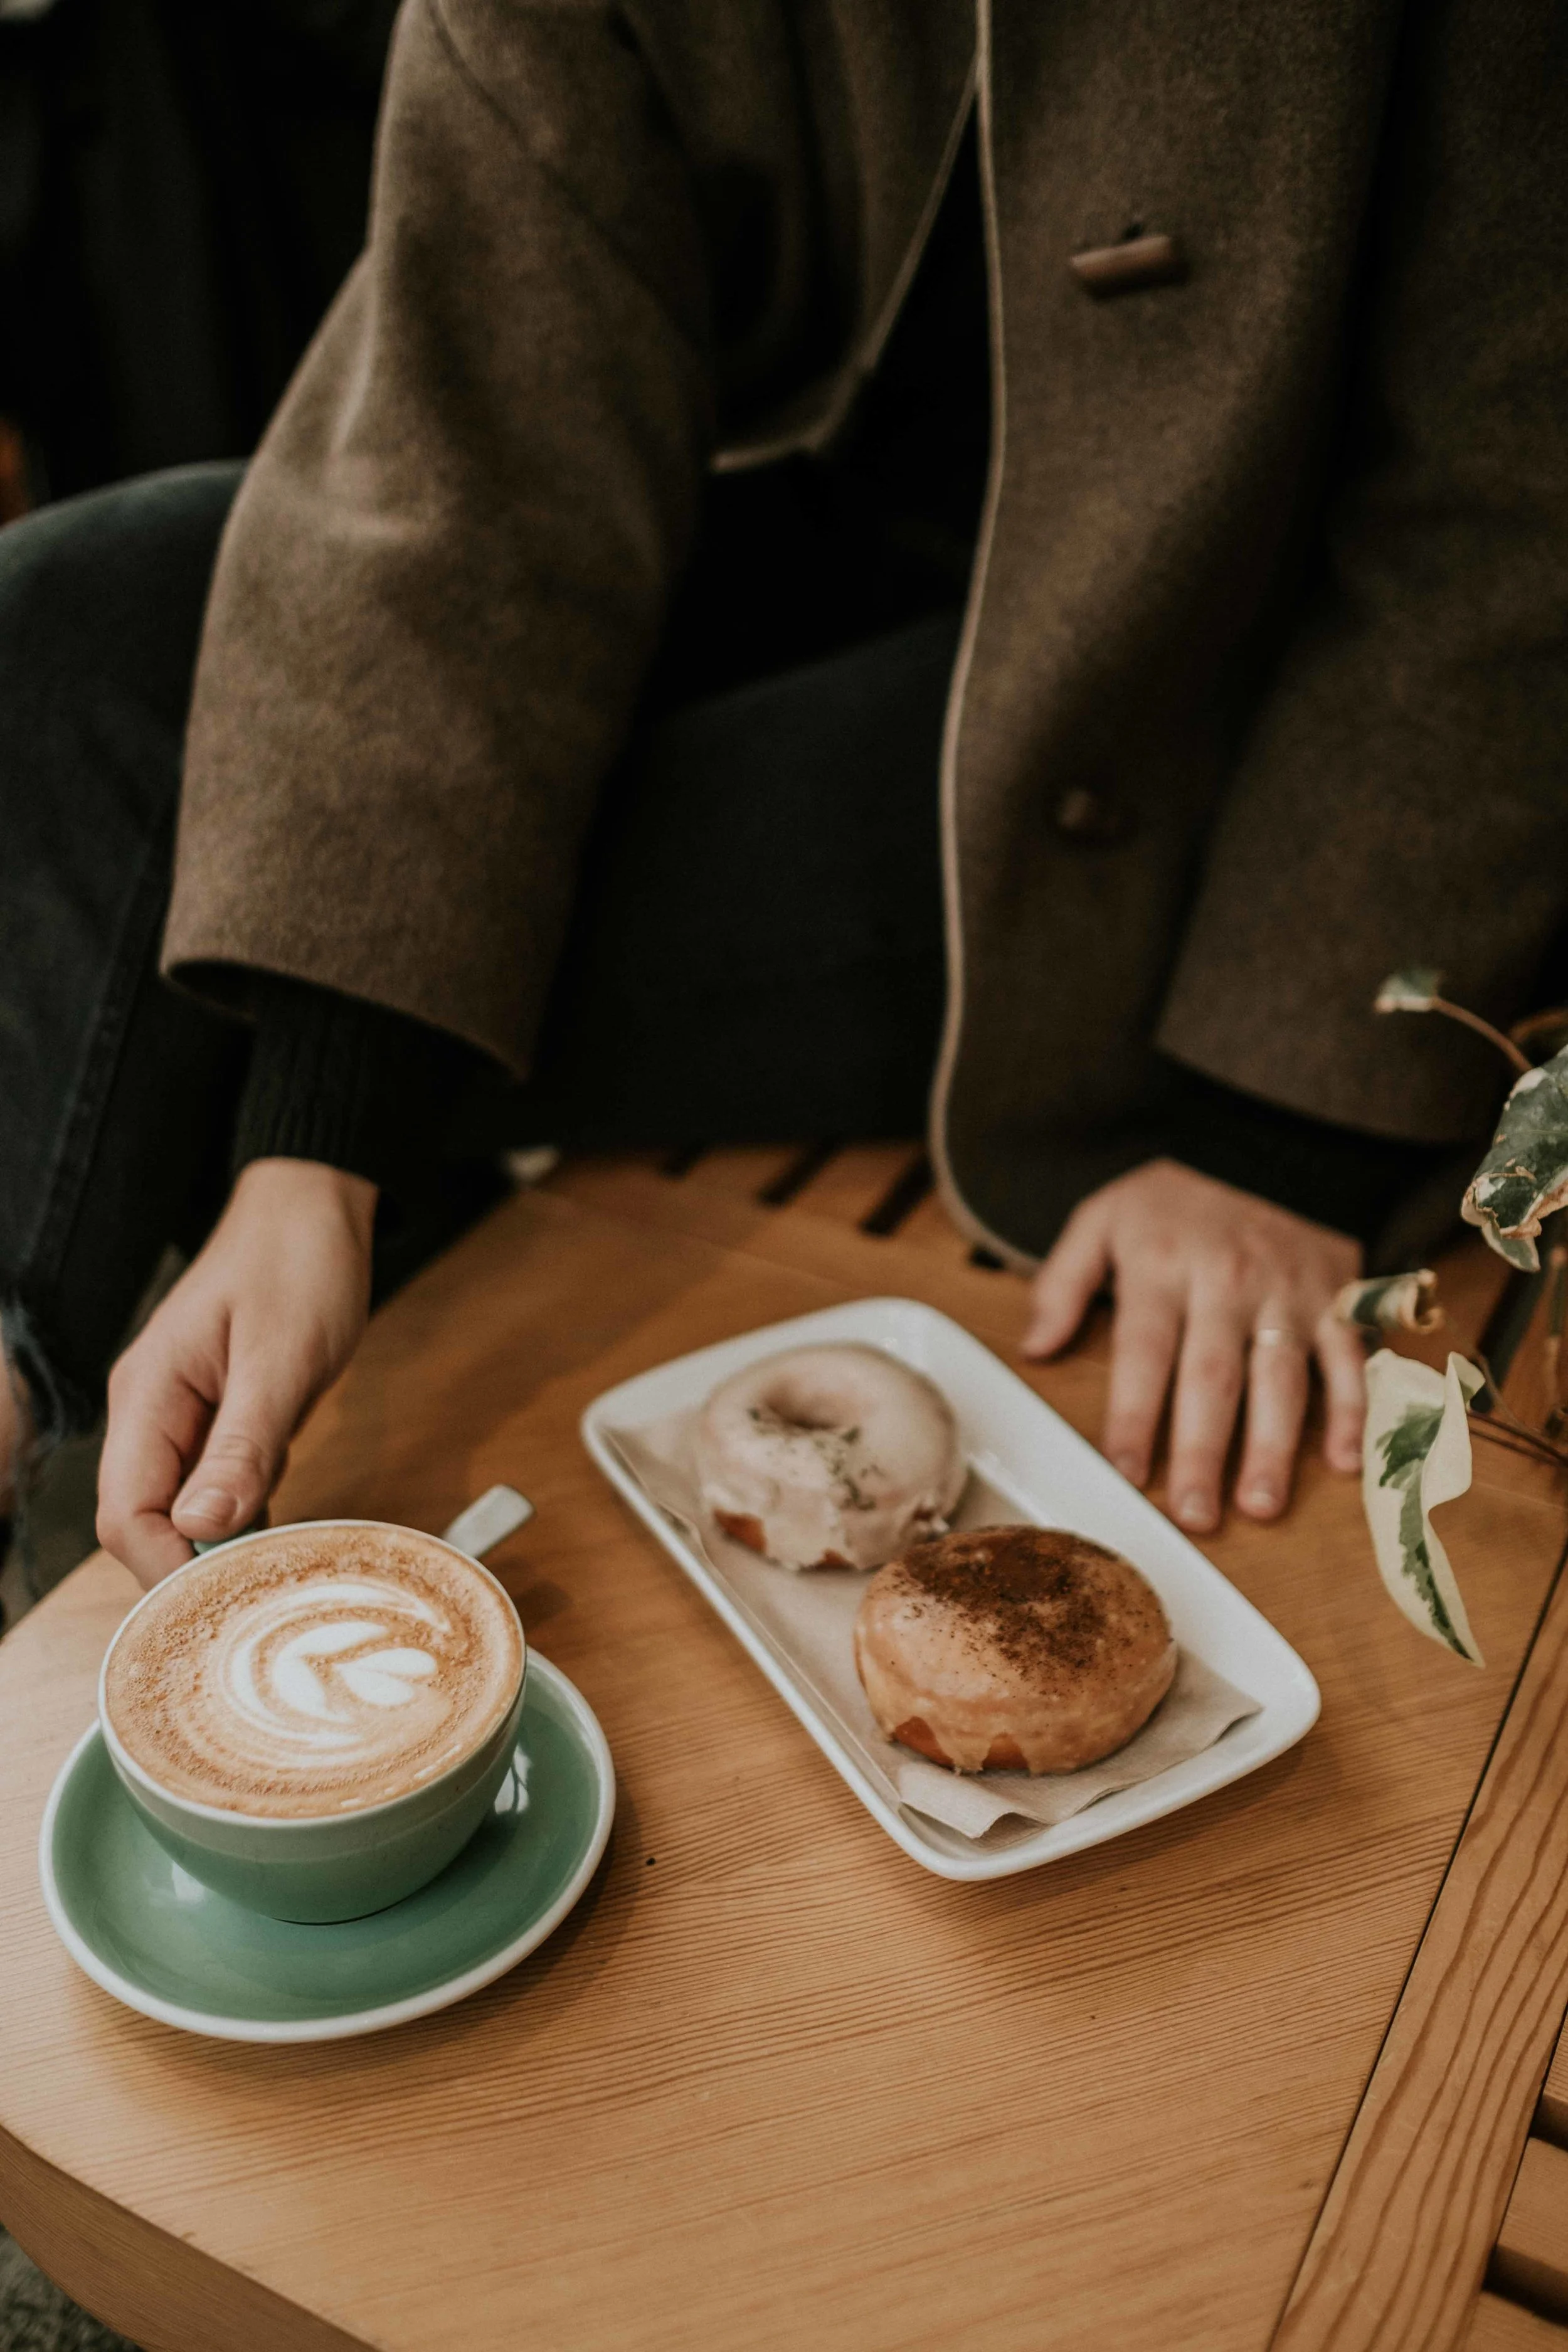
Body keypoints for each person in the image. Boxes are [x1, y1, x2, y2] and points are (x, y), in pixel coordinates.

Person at [2, 0, 1563, 1591]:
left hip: (1213, 728)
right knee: (74, 620)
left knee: (216, 993)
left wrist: (1280, 1120)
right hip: (792, 539)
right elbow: (471, 439)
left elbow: (1516, 473)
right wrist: (311, 1152)